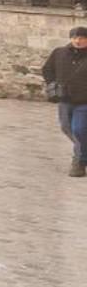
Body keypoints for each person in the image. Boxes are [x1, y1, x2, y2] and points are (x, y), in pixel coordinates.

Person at [42, 25, 87, 178]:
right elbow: (47, 69)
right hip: (65, 99)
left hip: (84, 101)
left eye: (82, 38)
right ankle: (82, 153)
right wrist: (52, 84)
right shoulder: (59, 53)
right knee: (66, 128)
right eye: (75, 38)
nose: (78, 41)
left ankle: (79, 161)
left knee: (79, 130)